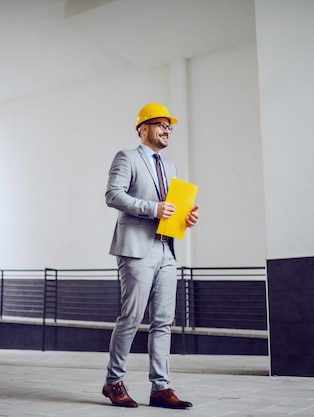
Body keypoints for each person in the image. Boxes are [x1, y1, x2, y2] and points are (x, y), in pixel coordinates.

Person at [102, 103, 199, 409]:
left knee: (163, 321)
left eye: (169, 126)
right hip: (136, 248)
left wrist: (185, 217)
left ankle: (161, 388)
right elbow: (113, 195)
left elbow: (170, 207)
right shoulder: (126, 158)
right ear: (143, 128)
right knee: (131, 317)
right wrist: (152, 208)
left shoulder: (171, 168)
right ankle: (113, 381)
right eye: (160, 124)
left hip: (166, 248)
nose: (166, 130)